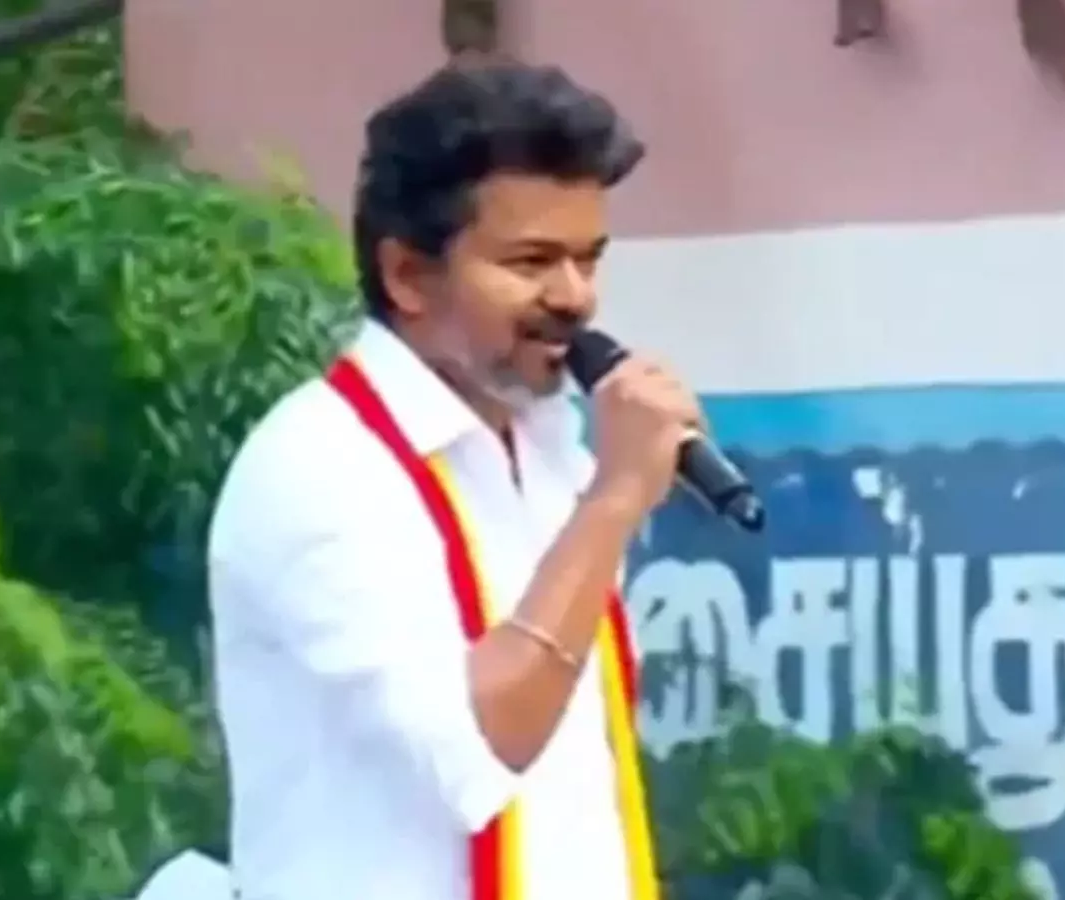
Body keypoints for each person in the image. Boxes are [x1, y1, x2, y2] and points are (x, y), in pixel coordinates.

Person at [206, 59, 702, 900]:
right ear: (407, 275)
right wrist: (616, 500)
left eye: (588, 260)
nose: (575, 298)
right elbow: (479, 748)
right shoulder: (320, 467)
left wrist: (600, 494)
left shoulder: (553, 454)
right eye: (532, 261)